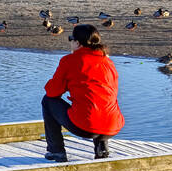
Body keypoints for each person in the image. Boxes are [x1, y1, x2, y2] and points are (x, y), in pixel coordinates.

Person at [41, 24, 124, 162]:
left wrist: (67, 84)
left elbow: (52, 92)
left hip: (86, 127)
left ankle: (56, 151)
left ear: (78, 43)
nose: (70, 42)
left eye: (71, 39)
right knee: (101, 99)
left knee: (48, 101)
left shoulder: (69, 61)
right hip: (112, 125)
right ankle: (102, 148)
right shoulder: (108, 62)